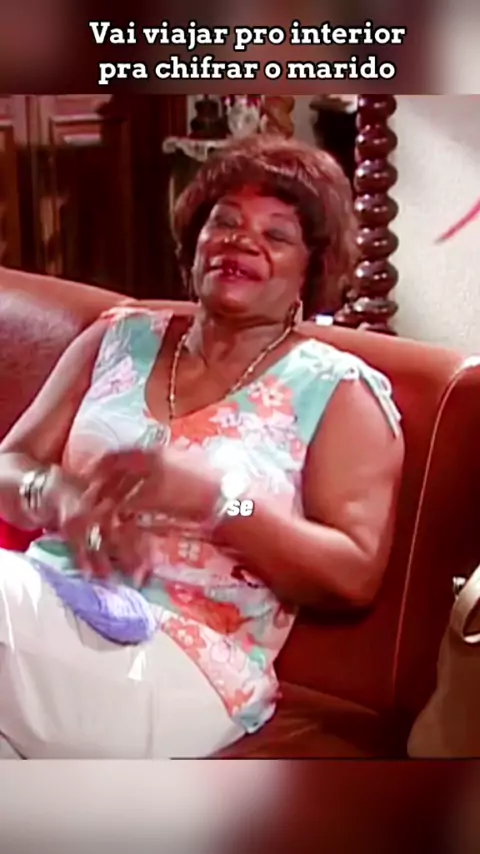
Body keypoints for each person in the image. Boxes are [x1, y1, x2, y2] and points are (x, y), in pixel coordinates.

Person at [0, 134, 404, 759]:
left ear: (311, 269)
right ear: (195, 244)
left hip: (182, 659)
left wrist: (219, 501)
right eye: (225, 222)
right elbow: (10, 464)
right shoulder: (119, 338)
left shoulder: (338, 389)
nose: (242, 242)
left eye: (276, 236)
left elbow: (351, 572)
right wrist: (55, 494)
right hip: (47, 603)